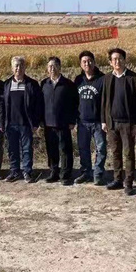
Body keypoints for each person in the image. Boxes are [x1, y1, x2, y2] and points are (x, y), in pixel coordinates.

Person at [101, 48, 136, 196]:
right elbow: (104, 101)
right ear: (110, 62)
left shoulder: (134, 78)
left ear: (125, 60)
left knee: (128, 154)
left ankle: (129, 182)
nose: (117, 61)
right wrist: (104, 121)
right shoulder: (107, 78)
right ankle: (117, 179)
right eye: (114, 59)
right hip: (112, 123)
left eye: (120, 58)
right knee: (115, 152)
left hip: (128, 124)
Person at [0, 56, 43, 183]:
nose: (18, 68)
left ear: (25, 67)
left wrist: (36, 122)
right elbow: (2, 105)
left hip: (26, 123)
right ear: (12, 68)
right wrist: (1, 122)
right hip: (11, 123)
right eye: (16, 66)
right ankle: (14, 171)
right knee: (12, 149)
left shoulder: (32, 84)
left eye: (21, 65)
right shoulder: (7, 84)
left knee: (27, 149)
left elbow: (38, 105)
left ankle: (27, 172)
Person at [41, 57, 79, 186]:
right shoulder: (44, 84)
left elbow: (75, 104)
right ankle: (54, 172)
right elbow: (40, 104)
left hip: (63, 123)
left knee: (65, 150)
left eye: (55, 66)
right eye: (50, 66)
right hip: (48, 124)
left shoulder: (68, 84)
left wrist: (72, 120)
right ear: (47, 69)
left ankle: (65, 174)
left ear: (60, 67)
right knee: (51, 150)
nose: (52, 69)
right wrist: (41, 120)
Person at [74, 51, 107, 186]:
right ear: (81, 64)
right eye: (84, 62)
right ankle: (86, 172)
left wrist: (104, 120)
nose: (87, 64)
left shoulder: (102, 79)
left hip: (98, 122)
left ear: (94, 62)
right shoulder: (78, 80)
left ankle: (98, 174)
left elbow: (106, 102)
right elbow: (74, 101)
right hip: (82, 122)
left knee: (101, 149)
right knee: (83, 149)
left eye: (89, 61)